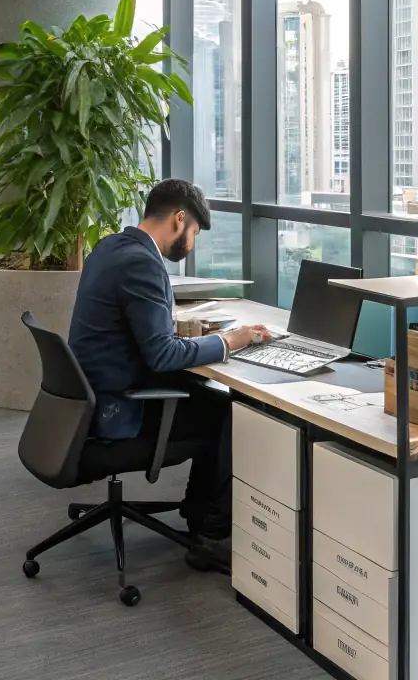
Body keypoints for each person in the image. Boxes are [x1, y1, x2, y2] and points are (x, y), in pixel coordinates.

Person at [67, 178, 273, 565]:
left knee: (210, 400)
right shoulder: (143, 264)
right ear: (179, 219)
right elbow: (161, 355)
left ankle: (199, 518)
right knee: (230, 413)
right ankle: (210, 534)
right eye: (194, 231)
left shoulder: (110, 246)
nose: (191, 243)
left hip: (93, 396)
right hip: (117, 412)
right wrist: (231, 341)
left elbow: (137, 330)